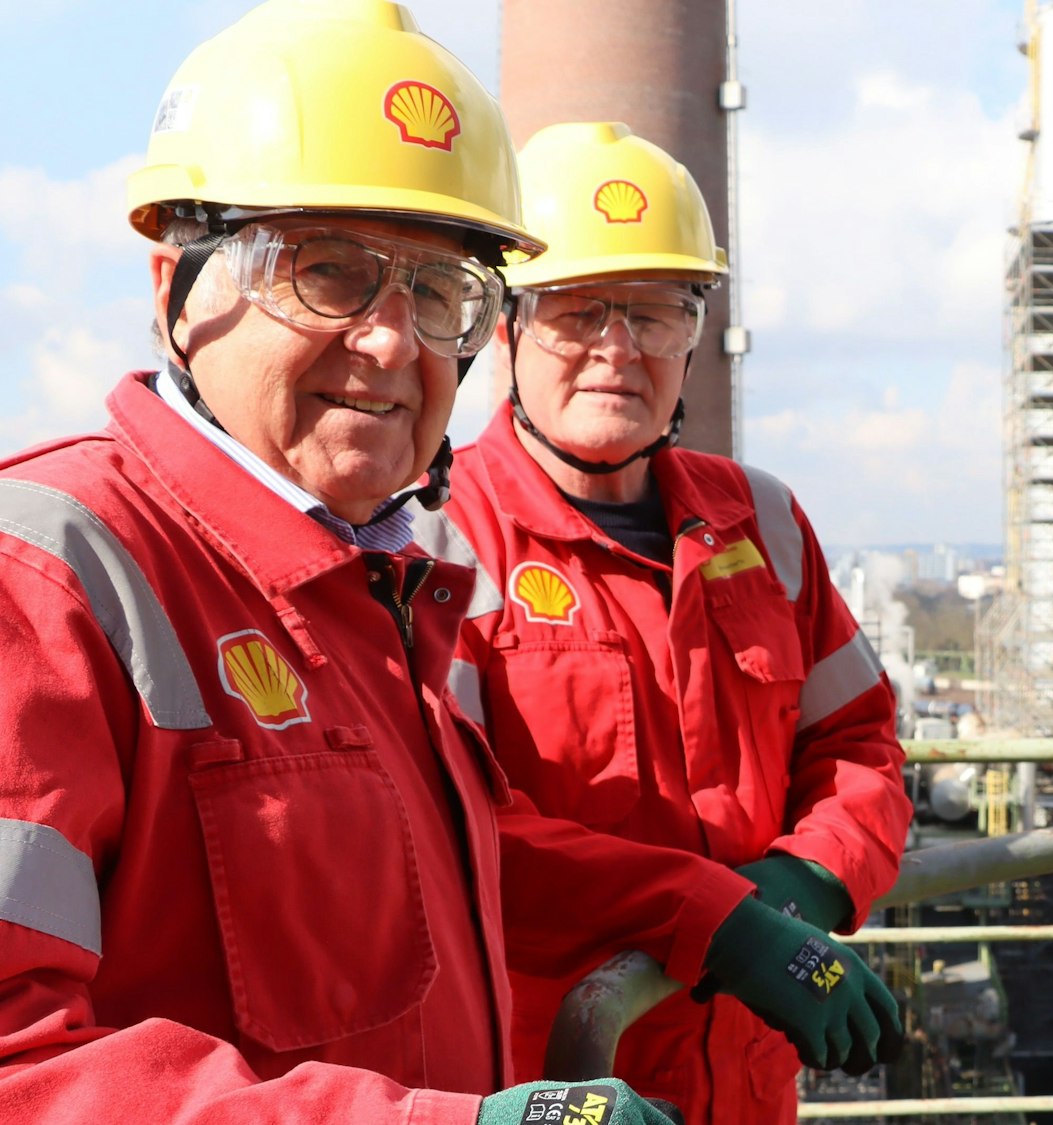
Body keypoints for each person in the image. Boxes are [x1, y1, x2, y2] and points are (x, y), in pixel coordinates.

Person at [0, 4, 890, 1122]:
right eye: (325, 273)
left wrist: (746, 902)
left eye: (434, 292)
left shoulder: (379, 589)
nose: (390, 340)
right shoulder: (48, 574)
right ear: (174, 285)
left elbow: (468, 863)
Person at [415, 121, 912, 1124]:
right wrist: (715, 921)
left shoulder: (760, 521)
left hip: (747, 1079)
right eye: (578, 312)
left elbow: (858, 742)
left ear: (696, 337)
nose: (617, 350)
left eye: (653, 313)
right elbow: (455, 832)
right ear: (506, 329)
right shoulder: (436, 546)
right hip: (552, 1081)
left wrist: (812, 878)